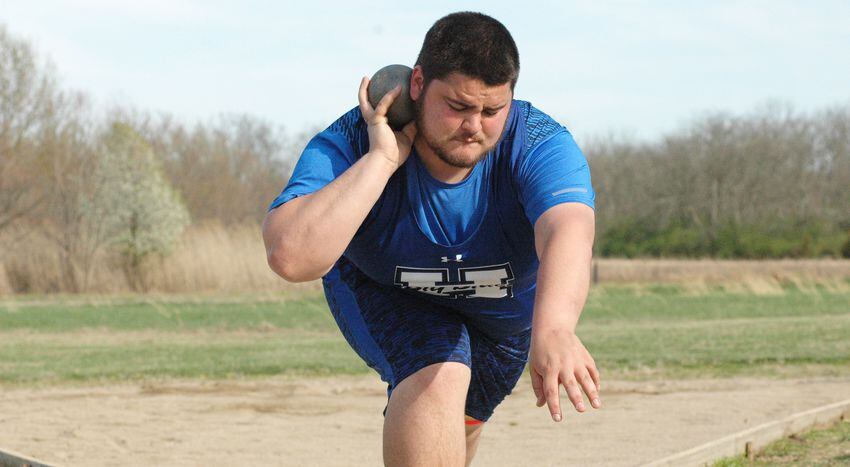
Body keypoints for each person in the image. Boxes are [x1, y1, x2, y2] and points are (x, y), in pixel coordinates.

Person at [263, 11, 600, 466]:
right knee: (438, 372)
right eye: (458, 107)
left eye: (491, 110)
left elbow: (568, 228)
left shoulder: (540, 141)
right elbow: (291, 257)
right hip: (382, 291)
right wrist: (381, 161)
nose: (474, 125)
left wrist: (557, 327)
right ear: (417, 83)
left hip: (502, 320)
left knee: (459, 428)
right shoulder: (356, 137)